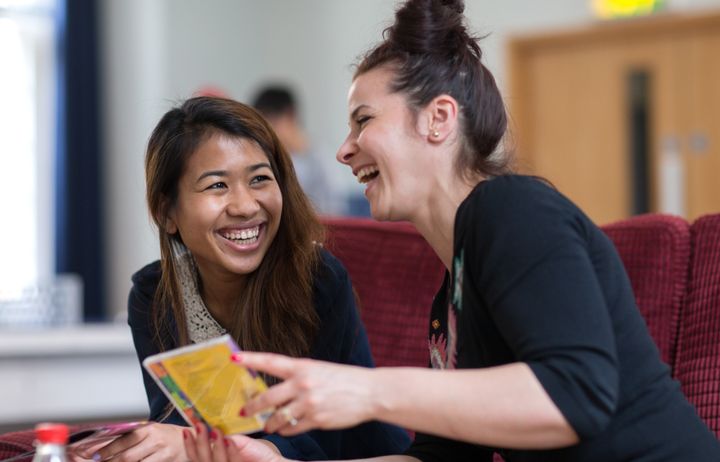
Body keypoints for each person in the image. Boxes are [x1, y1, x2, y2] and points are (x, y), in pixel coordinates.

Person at [183, 0, 720, 461]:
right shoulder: (452, 295)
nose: (345, 149)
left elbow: (576, 392)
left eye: (363, 121)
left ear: (438, 119)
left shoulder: (512, 209)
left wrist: (369, 390)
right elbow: (440, 459)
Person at [76, 96, 409, 462]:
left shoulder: (318, 281)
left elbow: (324, 439)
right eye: (217, 186)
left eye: (260, 179)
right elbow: (173, 419)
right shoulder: (153, 295)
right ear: (166, 212)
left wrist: (224, 448)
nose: (246, 206)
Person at [252, 85, 344, 216]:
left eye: (271, 123)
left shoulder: (320, 158)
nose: (266, 133)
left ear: (290, 115)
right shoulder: (268, 157)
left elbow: (335, 209)